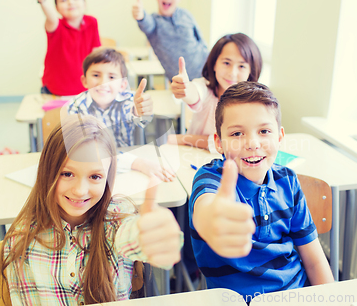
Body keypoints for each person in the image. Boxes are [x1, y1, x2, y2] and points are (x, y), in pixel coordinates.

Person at [1, 115, 183, 304]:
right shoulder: (21, 240)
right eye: (67, 174)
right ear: (47, 170)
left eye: (95, 176)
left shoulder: (117, 221)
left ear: (108, 178)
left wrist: (156, 238)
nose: (80, 191)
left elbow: (135, 236)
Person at [189, 82, 334, 302]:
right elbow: (206, 210)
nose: (252, 143)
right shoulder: (211, 179)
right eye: (237, 133)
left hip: (297, 294)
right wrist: (212, 222)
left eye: (264, 131)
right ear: (218, 142)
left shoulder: (288, 180)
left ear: (279, 137)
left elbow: (314, 260)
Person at [66, 48, 175, 182]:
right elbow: (87, 152)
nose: (103, 83)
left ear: (123, 84)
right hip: (92, 171)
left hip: (126, 170)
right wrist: (138, 163)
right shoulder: (76, 107)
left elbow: (140, 117)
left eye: (111, 77)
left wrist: (141, 111)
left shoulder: (129, 101)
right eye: (96, 75)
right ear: (84, 80)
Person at [168, 33, 263, 151]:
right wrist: (185, 90)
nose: (232, 73)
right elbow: (195, 92)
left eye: (241, 66)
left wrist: (184, 139)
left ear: (251, 71)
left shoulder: (253, 104)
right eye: (226, 63)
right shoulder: (206, 89)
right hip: (194, 158)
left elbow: (227, 144)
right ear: (214, 64)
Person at [132, 0, 208, 81]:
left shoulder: (186, 15)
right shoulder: (154, 22)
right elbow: (146, 24)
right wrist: (141, 15)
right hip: (181, 82)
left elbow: (201, 39)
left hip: (206, 71)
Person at [36, 0, 101, 96]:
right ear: (56, 8)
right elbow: (50, 17)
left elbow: (95, 54)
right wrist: (43, 2)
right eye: (63, 0)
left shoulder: (92, 22)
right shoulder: (55, 25)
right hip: (55, 90)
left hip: (84, 89)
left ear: (84, 3)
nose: (70, 2)